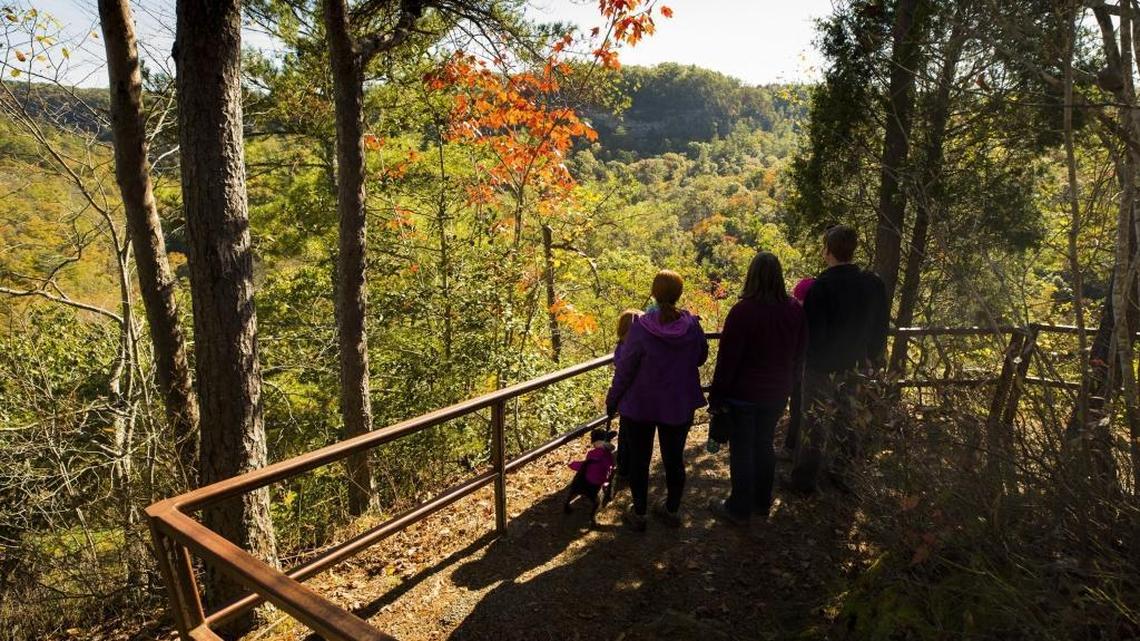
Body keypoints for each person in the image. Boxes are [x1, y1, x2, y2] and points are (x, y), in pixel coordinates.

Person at [706, 252, 806, 525]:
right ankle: (761, 503)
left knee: (742, 449)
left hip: (743, 394)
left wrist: (716, 398)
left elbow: (727, 360)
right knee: (764, 444)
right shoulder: (795, 310)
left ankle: (739, 508)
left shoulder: (743, 311)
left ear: (751, 276)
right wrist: (789, 381)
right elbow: (800, 352)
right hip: (776, 393)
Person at [789, 225, 889, 495]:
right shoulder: (872, 283)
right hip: (856, 363)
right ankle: (844, 474)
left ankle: (804, 481)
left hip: (821, 366)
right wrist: (871, 356)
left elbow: (810, 331)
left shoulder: (821, 287)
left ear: (827, 251)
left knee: (813, 421)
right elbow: (880, 325)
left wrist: (805, 360)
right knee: (849, 418)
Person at [606, 270, 708, 531]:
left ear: (653, 293)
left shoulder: (640, 327)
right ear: (678, 294)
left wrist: (613, 399)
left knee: (640, 461)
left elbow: (626, 368)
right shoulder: (691, 325)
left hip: (641, 404)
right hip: (678, 403)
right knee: (674, 460)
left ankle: (639, 513)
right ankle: (672, 509)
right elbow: (700, 357)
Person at [781, 277, 816, 458]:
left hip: (799, 368)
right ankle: (795, 446)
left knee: (797, 407)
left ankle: (791, 447)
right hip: (807, 367)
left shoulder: (797, 316)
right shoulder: (816, 315)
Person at [611, 308, 641, 486]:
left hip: (629, 400)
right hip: (635, 400)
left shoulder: (622, 348)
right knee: (630, 436)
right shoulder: (634, 347)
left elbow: (621, 376)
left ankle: (624, 469)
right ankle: (626, 469)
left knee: (627, 435)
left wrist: (613, 399)